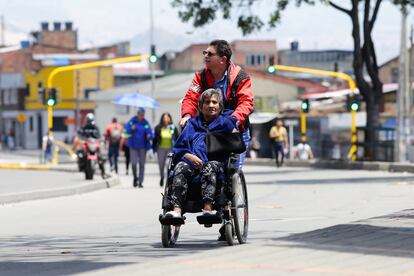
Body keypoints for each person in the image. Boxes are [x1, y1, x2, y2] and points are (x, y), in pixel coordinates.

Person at [165, 88, 238, 222]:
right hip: (192, 163)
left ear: (219, 106)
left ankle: (208, 208)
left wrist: (233, 135)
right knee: (181, 166)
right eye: (207, 102)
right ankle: (176, 210)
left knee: (209, 167)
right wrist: (190, 156)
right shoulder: (192, 124)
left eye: (214, 102)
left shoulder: (225, 123)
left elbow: (237, 144)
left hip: (216, 164)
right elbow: (179, 147)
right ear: (201, 106)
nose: (211, 105)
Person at [179, 39, 254, 168]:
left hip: (234, 132)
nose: (205, 56)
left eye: (210, 54)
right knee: (202, 168)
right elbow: (191, 98)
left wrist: (233, 120)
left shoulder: (240, 77)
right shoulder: (200, 77)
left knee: (232, 173)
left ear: (222, 59)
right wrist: (187, 115)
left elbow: (246, 102)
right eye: (205, 53)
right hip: (208, 130)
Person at [124, 107, 153, 188]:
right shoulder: (132, 121)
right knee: (133, 164)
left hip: (143, 147)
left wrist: (149, 135)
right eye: (140, 114)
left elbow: (150, 132)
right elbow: (126, 130)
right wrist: (131, 128)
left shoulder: (145, 122)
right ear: (137, 114)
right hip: (133, 146)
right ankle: (135, 178)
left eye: (143, 114)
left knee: (142, 164)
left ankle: (140, 181)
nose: (141, 116)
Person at [153, 113, 180, 187]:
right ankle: (162, 176)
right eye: (164, 118)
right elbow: (155, 139)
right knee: (161, 165)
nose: (166, 119)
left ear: (170, 119)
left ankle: (168, 179)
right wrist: (153, 149)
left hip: (170, 148)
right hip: (160, 148)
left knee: (168, 164)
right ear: (162, 119)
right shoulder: (158, 128)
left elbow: (177, 138)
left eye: (167, 118)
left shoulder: (173, 127)